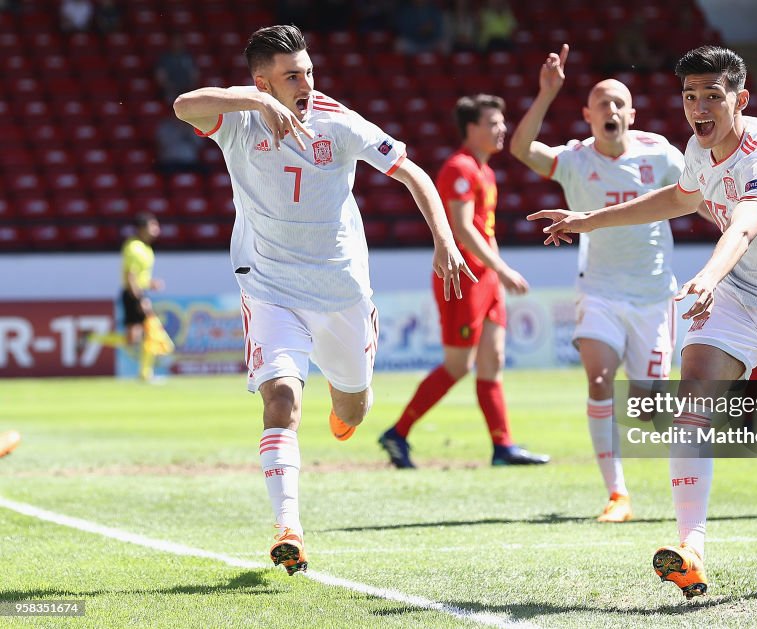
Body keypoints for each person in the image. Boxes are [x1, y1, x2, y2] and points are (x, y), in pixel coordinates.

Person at [529, 45, 757, 598]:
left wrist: (706, 274)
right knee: (693, 402)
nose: (699, 107)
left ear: (741, 99)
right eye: (690, 96)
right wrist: (591, 219)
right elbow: (681, 198)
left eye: (713, 95)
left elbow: (746, 224)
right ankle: (691, 549)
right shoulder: (697, 148)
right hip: (738, 293)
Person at [173, 25, 474, 577]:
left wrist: (445, 239)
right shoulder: (238, 120)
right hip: (269, 287)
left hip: (341, 293)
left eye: (309, 71)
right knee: (281, 401)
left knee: (350, 409)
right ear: (262, 82)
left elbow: (412, 173)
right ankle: (289, 529)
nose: (307, 82)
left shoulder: (339, 122)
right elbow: (183, 104)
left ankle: (346, 409)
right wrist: (249, 100)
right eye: (292, 75)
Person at [511, 44, 683, 524]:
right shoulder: (574, 160)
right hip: (600, 292)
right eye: (601, 103)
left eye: (618, 102)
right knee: (600, 379)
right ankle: (617, 495)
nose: (610, 109)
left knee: (650, 406)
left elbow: (701, 192)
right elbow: (522, 150)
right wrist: (546, 94)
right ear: (587, 115)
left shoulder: (661, 156)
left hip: (653, 296)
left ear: (632, 113)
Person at [378, 94, 548, 469]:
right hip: (463, 277)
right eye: (493, 123)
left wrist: (498, 270)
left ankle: (503, 447)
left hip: (485, 277)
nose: (502, 129)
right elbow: (462, 229)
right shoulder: (459, 167)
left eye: (502, 122)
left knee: (494, 360)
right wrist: (502, 269)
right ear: (471, 129)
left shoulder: (484, 171)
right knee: (458, 364)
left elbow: (484, 231)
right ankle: (398, 433)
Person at [88, 212, 174, 381]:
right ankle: (145, 374)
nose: (157, 230)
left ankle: (92, 337)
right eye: (153, 226)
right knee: (149, 333)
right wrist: (139, 299)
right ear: (142, 228)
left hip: (138, 292)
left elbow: (139, 277)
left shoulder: (146, 248)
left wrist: (151, 283)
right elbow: (131, 276)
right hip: (133, 294)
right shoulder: (133, 247)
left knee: (133, 338)